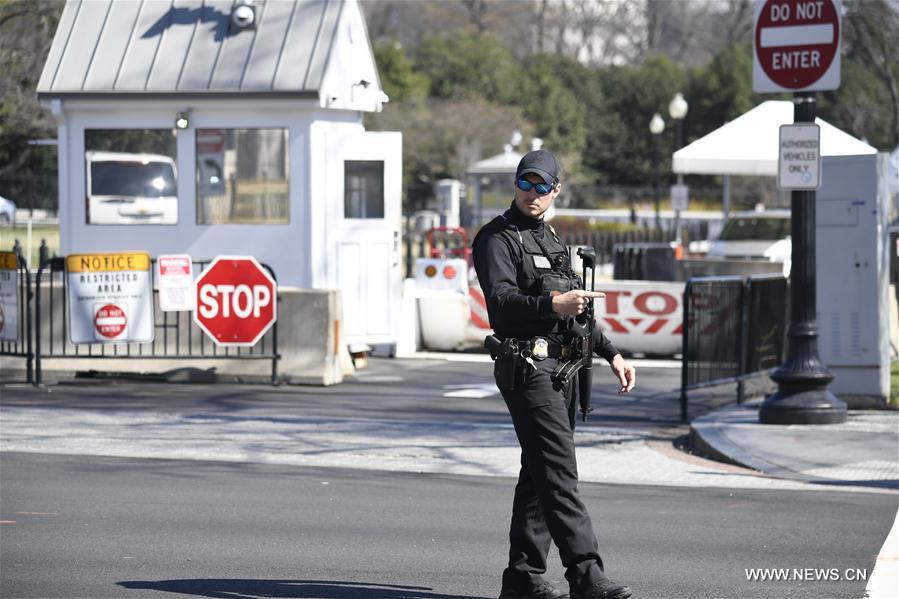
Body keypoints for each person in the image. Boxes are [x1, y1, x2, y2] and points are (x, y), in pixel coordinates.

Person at [472, 149, 636, 599]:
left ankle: (522, 579)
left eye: (542, 186)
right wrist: (551, 304)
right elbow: (500, 304)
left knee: (538, 473)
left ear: (555, 191)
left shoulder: (550, 239)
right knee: (560, 471)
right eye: (525, 183)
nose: (532, 193)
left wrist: (612, 354)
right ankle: (587, 576)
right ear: (515, 185)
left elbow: (576, 312)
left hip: (563, 368)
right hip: (525, 367)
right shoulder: (496, 239)